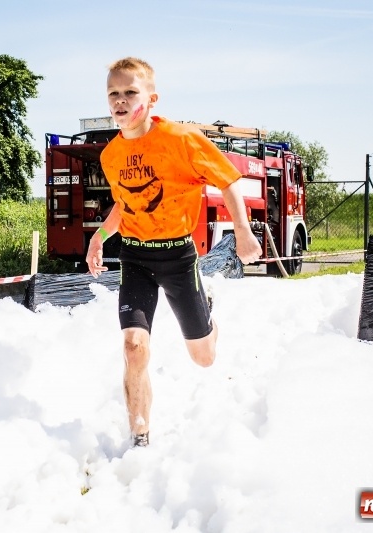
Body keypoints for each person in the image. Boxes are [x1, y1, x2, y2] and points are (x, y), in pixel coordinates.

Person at [85, 57, 262, 448]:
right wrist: (99, 237)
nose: (120, 100)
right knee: (133, 347)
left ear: (152, 98)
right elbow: (124, 205)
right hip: (135, 258)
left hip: (179, 259)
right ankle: (140, 434)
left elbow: (228, 181)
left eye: (130, 92)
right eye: (113, 93)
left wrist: (243, 232)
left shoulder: (181, 140)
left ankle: (207, 315)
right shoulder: (111, 156)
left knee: (204, 358)